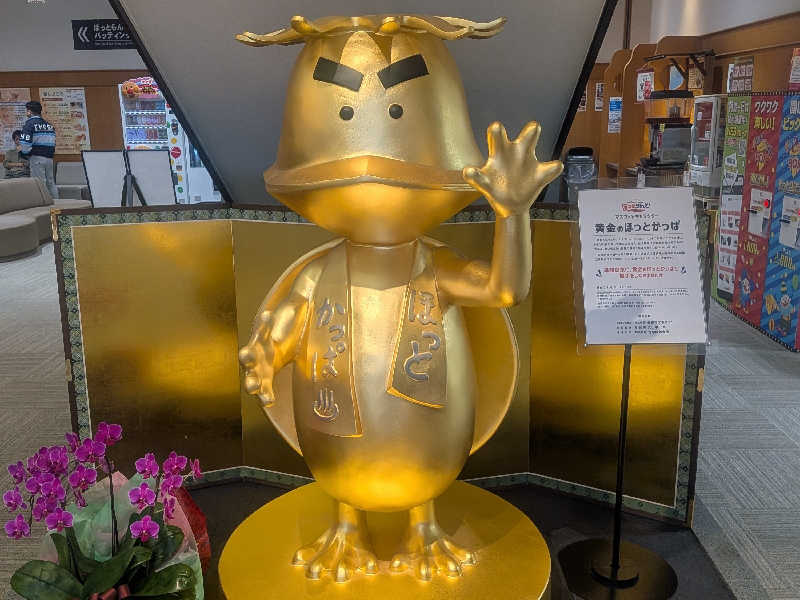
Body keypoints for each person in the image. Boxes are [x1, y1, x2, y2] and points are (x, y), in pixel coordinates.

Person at [19, 100, 58, 198]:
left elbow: (25, 144)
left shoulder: (29, 124)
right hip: (49, 158)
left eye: (26, 110)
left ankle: (43, 204)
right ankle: (57, 203)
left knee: (39, 183)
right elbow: (53, 142)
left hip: (36, 158)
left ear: (29, 111)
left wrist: (25, 153)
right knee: (50, 182)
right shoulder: (49, 125)